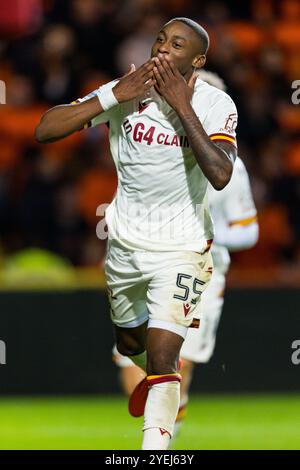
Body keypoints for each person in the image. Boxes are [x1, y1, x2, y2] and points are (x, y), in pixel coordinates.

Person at [35, 18, 238, 450]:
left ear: (197, 60)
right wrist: (112, 96)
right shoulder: (125, 91)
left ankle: (154, 449)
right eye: (160, 40)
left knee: (165, 354)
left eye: (177, 45)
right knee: (131, 343)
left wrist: (183, 107)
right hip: (125, 245)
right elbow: (45, 129)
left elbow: (221, 174)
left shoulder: (215, 103)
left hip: (183, 247)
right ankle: (156, 377)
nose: (163, 49)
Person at [112, 70, 258, 439]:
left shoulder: (230, 166)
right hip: (145, 258)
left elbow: (249, 228)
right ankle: (159, 430)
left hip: (200, 267)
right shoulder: (148, 142)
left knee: (181, 362)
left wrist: (204, 233)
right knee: (136, 366)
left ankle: (160, 445)